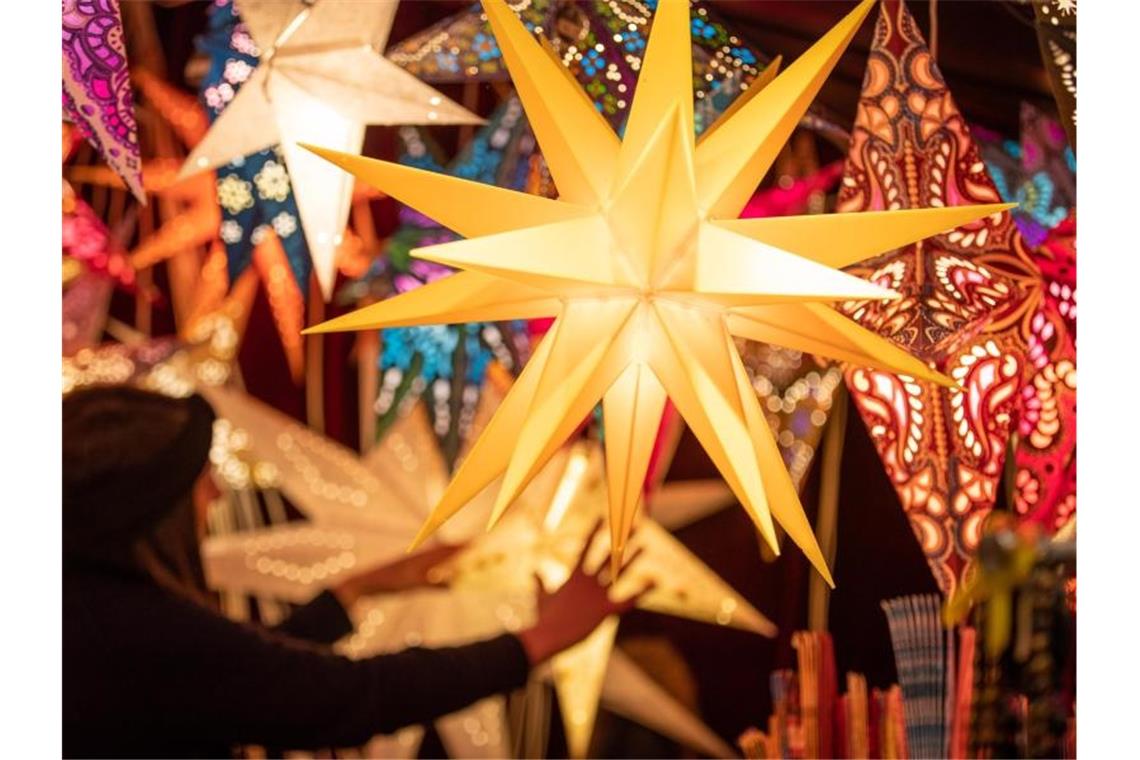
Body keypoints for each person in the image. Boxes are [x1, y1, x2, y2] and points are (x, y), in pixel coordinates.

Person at [63, 385, 647, 759]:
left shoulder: (87, 612)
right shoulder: (143, 633)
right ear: (149, 507)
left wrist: (358, 587)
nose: (215, 495)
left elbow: (233, 679)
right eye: (197, 478)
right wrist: (536, 641)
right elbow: (349, 697)